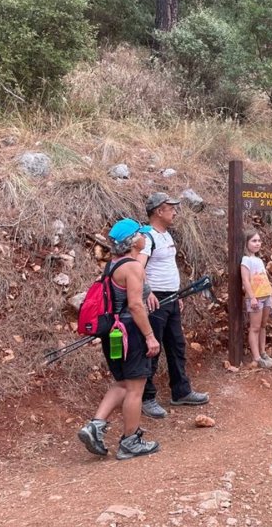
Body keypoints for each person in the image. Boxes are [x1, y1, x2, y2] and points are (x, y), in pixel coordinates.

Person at [78, 219, 162, 460]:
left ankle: (95, 426)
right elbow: (136, 305)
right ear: (133, 240)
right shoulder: (133, 267)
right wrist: (149, 336)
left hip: (112, 334)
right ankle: (130, 441)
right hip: (131, 332)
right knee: (136, 388)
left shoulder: (112, 266)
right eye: (140, 234)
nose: (145, 237)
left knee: (122, 383)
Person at [138, 193, 208, 419]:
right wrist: (147, 292)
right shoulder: (147, 237)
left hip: (170, 298)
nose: (175, 212)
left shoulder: (166, 235)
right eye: (171, 208)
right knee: (153, 348)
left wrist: (176, 294)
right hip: (155, 300)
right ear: (159, 211)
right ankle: (147, 397)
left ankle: (181, 391)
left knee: (176, 344)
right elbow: (138, 267)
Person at [241, 230, 272, 369]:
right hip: (255, 298)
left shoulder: (259, 260)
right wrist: (253, 297)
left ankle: (263, 352)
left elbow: (265, 278)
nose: (257, 243)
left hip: (266, 296)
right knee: (254, 327)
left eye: (259, 241)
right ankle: (256, 357)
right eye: (254, 241)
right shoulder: (246, 260)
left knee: (263, 326)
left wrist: (271, 297)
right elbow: (245, 280)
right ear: (247, 243)